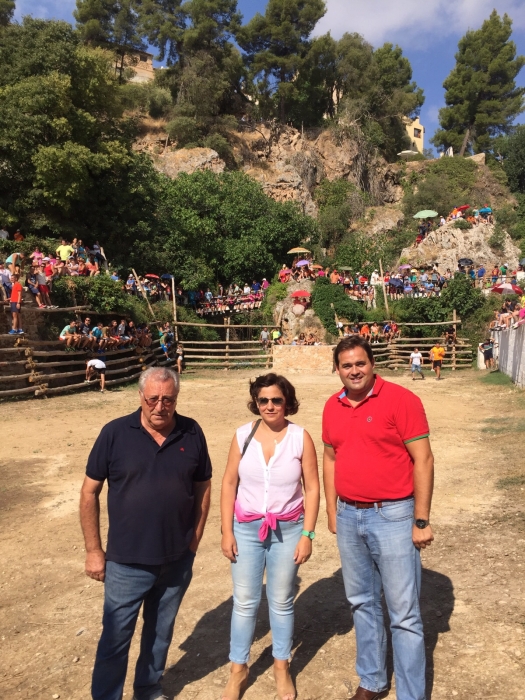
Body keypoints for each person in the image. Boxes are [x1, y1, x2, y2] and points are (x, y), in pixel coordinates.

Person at [80, 367, 212, 700]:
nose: (160, 406)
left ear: (176, 398)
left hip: (176, 560)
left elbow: (203, 486)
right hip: (126, 562)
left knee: (160, 635)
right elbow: (89, 492)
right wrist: (94, 550)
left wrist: (194, 541)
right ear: (140, 395)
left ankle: (148, 689)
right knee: (115, 639)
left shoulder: (191, 432)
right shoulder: (114, 433)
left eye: (168, 399)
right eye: (153, 398)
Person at [322, 336, 434, 700]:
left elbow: (423, 459)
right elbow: (330, 457)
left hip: (393, 515)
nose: (354, 371)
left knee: (404, 614)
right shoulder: (332, 406)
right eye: (346, 365)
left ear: (372, 364)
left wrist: (421, 519)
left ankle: (411, 695)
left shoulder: (402, 400)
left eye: (360, 363)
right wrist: (331, 509)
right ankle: (371, 680)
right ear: (337, 369)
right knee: (362, 603)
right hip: (349, 514)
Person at [220, 374, 320, 700]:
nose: (270, 406)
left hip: (288, 530)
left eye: (276, 400)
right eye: (263, 400)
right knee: (244, 602)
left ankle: (281, 666)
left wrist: (307, 534)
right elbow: (229, 483)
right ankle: (238, 669)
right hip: (246, 529)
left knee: (281, 601)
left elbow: (312, 488)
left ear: (287, 401)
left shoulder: (300, 438)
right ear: (255, 402)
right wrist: (226, 530)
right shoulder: (242, 435)